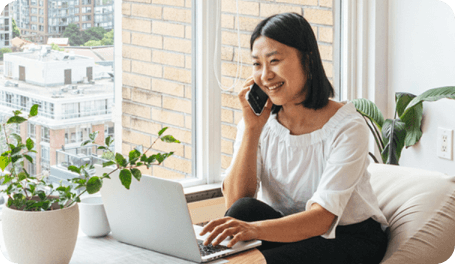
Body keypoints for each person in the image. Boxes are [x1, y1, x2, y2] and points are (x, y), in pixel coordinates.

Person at [200, 12, 388, 264]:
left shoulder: (348, 126)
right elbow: (234, 202)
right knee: (243, 210)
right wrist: (251, 130)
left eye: (274, 60)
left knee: (260, 259)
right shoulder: (260, 120)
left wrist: (254, 230)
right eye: (257, 64)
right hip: (288, 227)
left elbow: (322, 219)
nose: (265, 75)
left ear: (307, 61)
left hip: (347, 236)